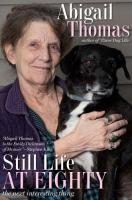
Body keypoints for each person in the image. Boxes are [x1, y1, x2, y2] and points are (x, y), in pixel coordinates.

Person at [0, 4, 128, 200]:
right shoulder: (3, 109)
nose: (45, 57)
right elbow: (4, 179)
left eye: (53, 47)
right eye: (33, 45)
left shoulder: (98, 102)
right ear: (11, 53)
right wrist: (73, 143)